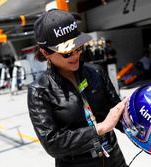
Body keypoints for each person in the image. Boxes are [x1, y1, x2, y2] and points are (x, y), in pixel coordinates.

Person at [27, 9, 128, 167]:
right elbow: (52, 143)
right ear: (45, 52)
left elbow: (117, 111)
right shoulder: (39, 90)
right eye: (67, 53)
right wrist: (99, 129)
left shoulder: (95, 72)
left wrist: (146, 127)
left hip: (115, 160)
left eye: (78, 47)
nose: (75, 56)